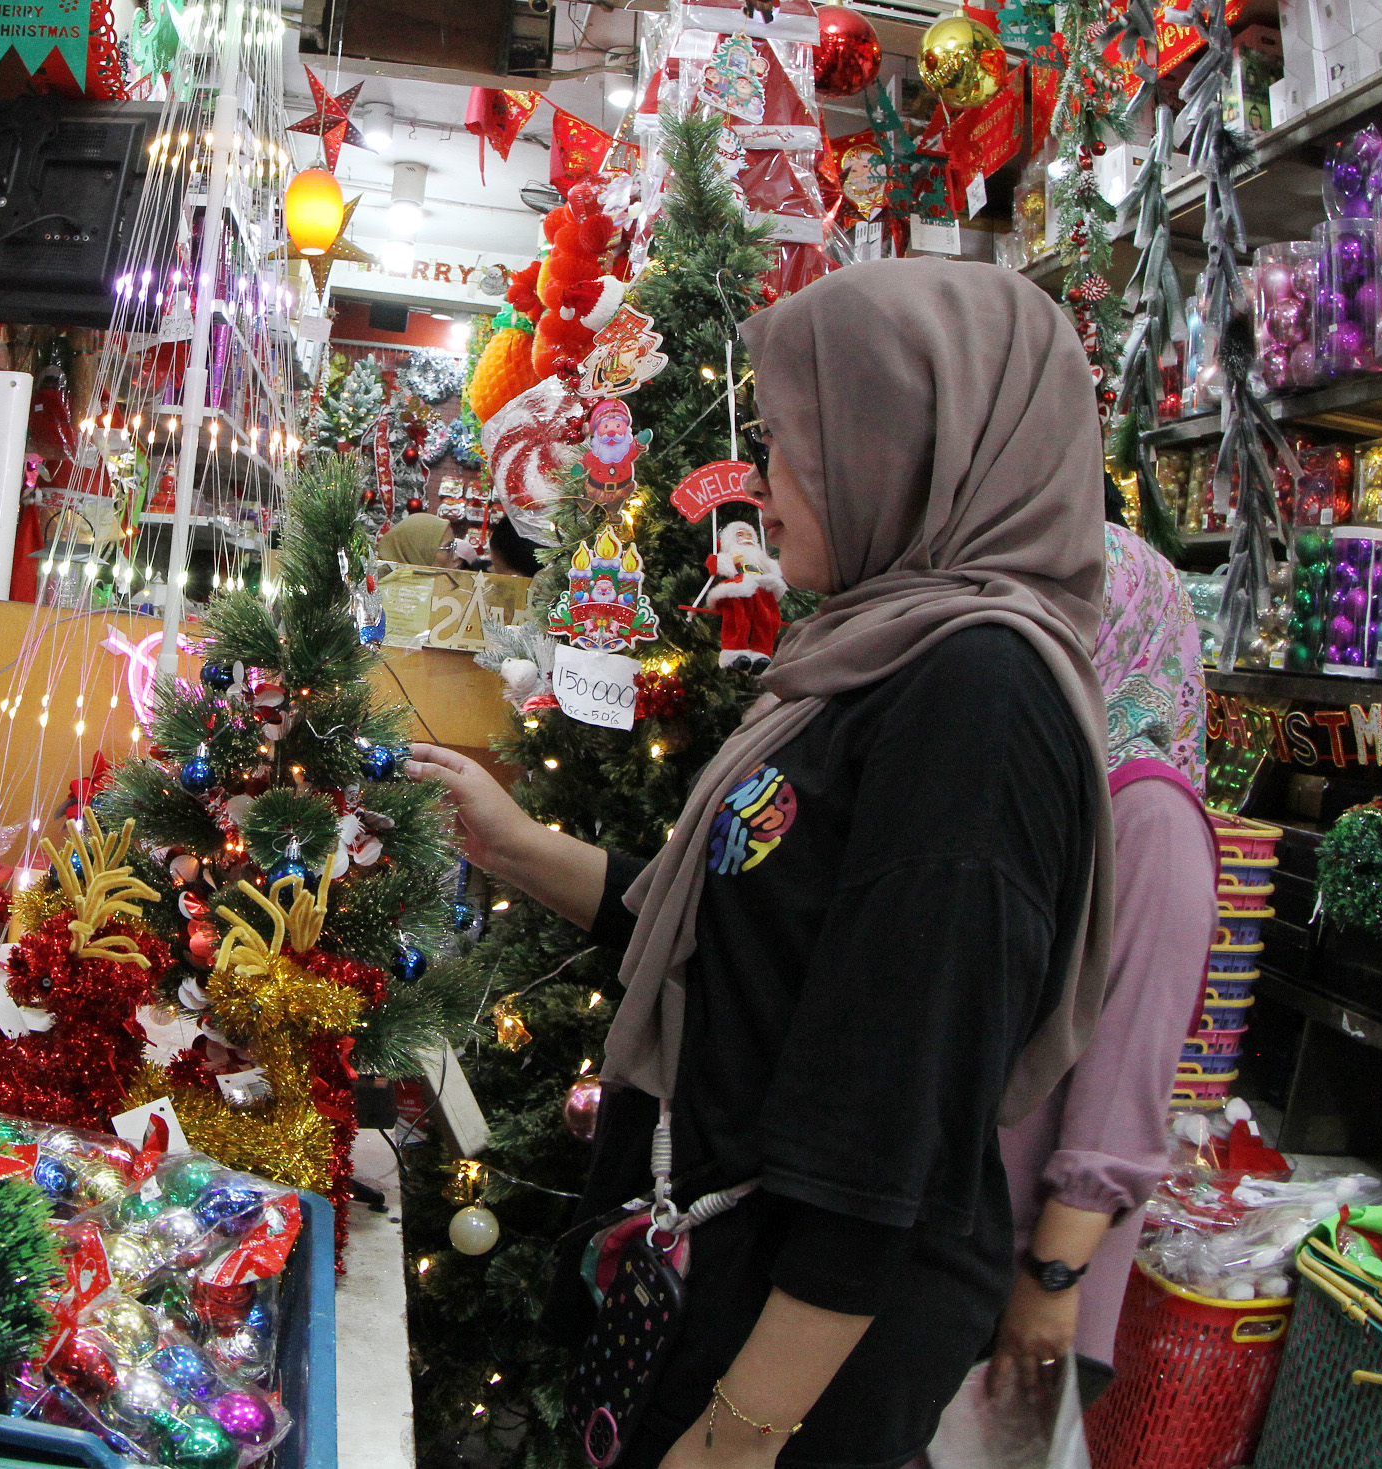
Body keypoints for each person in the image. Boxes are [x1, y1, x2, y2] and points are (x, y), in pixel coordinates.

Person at [408, 259, 1116, 1469]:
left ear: (906, 445)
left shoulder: (976, 705)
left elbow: (890, 1121)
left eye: (794, 449)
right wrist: (518, 847)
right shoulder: (874, 656)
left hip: (794, 1354)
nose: (762, 499)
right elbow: (749, 943)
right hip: (725, 1280)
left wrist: (736, 1437)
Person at [984, 521, 1216, 1406]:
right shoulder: (1066, 789)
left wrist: (1051, 1279)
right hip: (973, 1249)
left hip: (1032, 1279)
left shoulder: (1150, 818)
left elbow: (1125, 1093)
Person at [379, 507, 454, 566]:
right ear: (418, 551)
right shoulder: (382, 584)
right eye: (449, 548)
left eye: (454, 546)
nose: (454, 556)